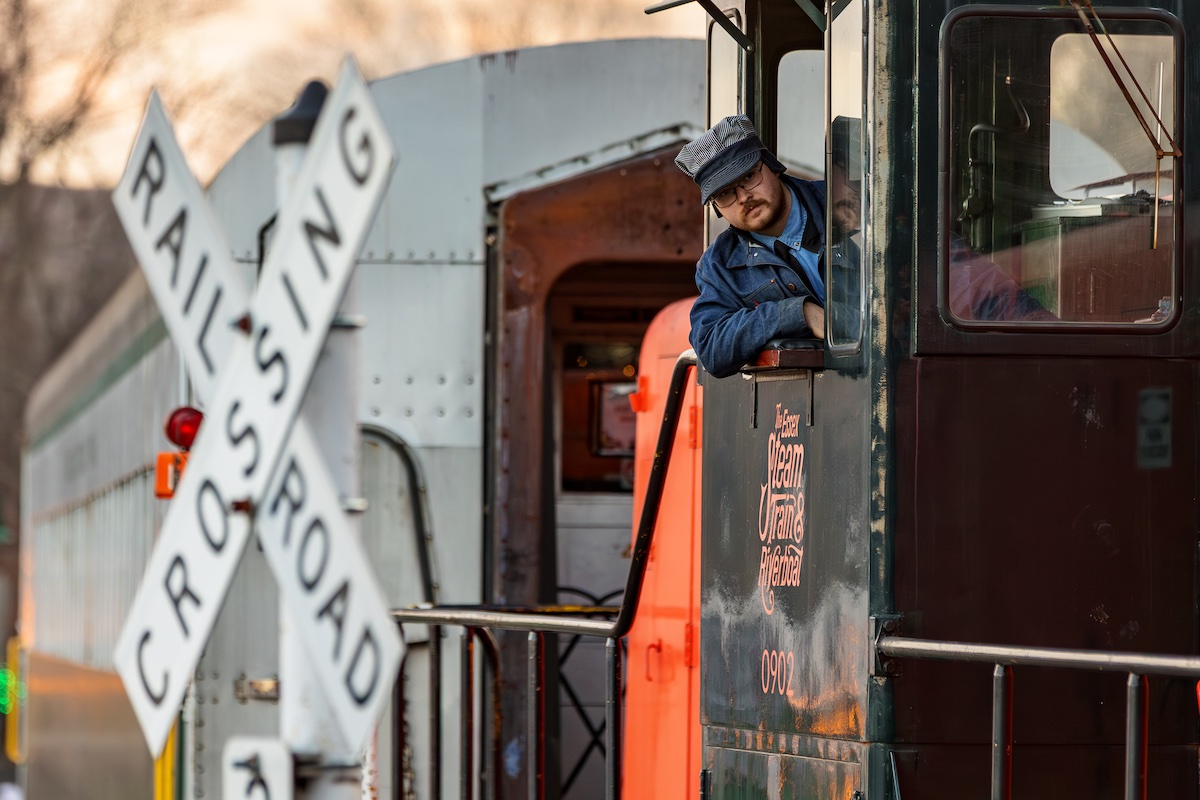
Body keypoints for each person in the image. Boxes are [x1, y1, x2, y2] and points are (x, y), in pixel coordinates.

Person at [675, 115, 827, 378]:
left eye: (748, 176)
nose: (743, 197)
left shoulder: (846, 206)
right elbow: (711, 347)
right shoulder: (719, 266)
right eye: (724, 193)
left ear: (771, 164)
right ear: (716, 208)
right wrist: (796, 314)